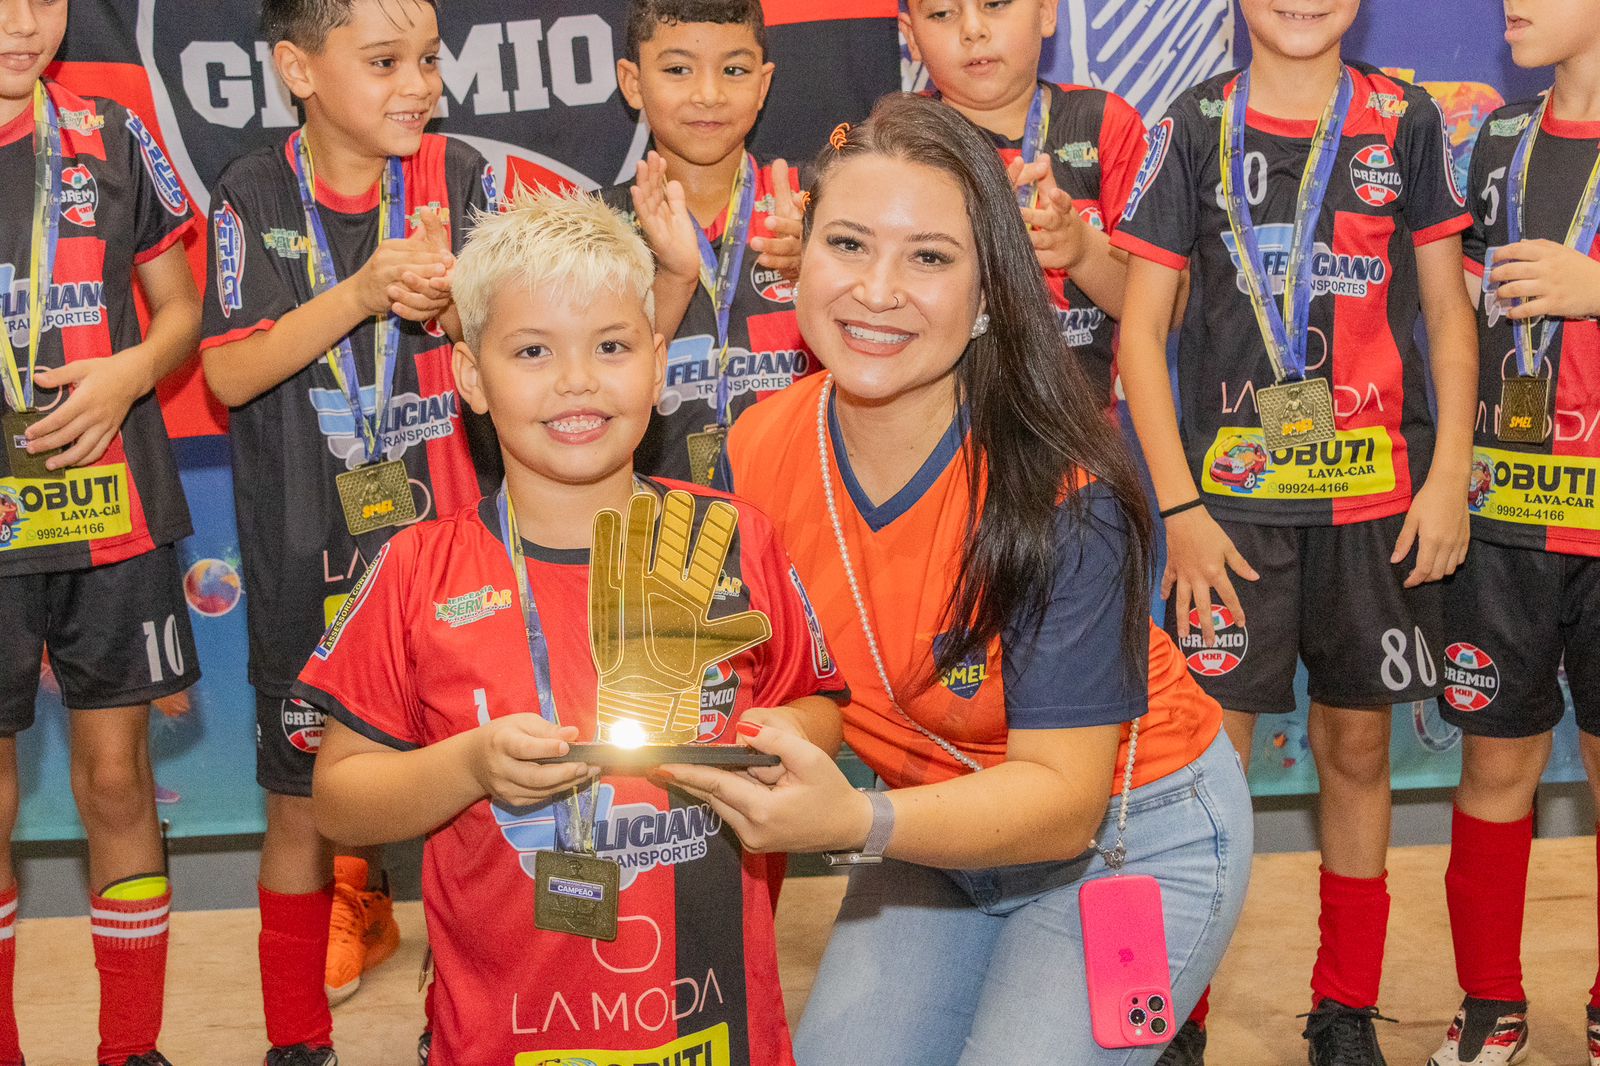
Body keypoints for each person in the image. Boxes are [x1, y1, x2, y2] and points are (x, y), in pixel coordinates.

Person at [670, 92, 1252, 1066]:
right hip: (932, 830)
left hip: (1132, 840)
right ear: (798, 260)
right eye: (847, 244)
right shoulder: (759, 445)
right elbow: (794, 685)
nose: (877, 289)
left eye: (929, 257)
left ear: (988, 293)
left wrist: (851, 817)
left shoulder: (1064, 493)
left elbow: (1063, 801)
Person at [297, 186, 848, 1066]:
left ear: (658, 363)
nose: (577, 380)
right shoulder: (417, 571)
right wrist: (472, 765)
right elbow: (339, 797)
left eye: (612, 346)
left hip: (707, 1024)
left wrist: (753, 736)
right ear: (472, 378)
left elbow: (817, 709)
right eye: (532, 351)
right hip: (502, 1035)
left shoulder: (733, 539)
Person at [1111, 0, 1479, 1062]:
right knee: (1205, 768)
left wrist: (1448, 470)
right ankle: (1181, 1013)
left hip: (1375, 507)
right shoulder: (1193, 125)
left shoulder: (1405, 120)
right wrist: (1179, 507)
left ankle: (1343, 1006)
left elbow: (1449, 315)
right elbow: (1141, 333)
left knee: (1356, 746)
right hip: (1226, 521)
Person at [198, 0, 497, 1060]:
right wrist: (365, 290)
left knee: (471, 815)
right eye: (383, 61)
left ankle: (455, 1030)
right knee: (302, 814)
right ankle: (296, 1040)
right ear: (299, 69)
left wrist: (460, 303)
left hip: (454, 565)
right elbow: (229, 369)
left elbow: (509, 341)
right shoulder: (252, 189)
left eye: (427, 59)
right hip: (303, 565)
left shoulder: (461, 180)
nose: (417, 84)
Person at [0, 0, 204, 1063]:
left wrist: (131, 370)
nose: (23, 22)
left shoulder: (113, 136)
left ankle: (132, 1046)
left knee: (117, 780)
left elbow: (179, 311)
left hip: (109, 508)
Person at [1430, 3, 1600, 1063]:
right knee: (1495, 769)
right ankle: (1491, 1002)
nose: (1509, 4)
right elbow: (1451, 298)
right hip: (1504, 516)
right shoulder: (1495, 137)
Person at [603, 0, 811, 485]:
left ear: (763, 84)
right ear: (633, 82)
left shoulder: (813, 210)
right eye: (678, 69)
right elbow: (591, 384)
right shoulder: (592, 229)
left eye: (734, 70)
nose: (709, 94)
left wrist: (827, 268)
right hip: (654, 521)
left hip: (804, 507)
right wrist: (670, 279)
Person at [901, 0, 1146, 403]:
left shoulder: (1105, 124)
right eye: (943, 13)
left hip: (1080, 443)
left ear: (1047, 12)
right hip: (938, 437)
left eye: (995, 4)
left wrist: (1080, 250)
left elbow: (1161, 312)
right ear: (912, 37)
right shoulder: (897, 143)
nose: (973, 29)